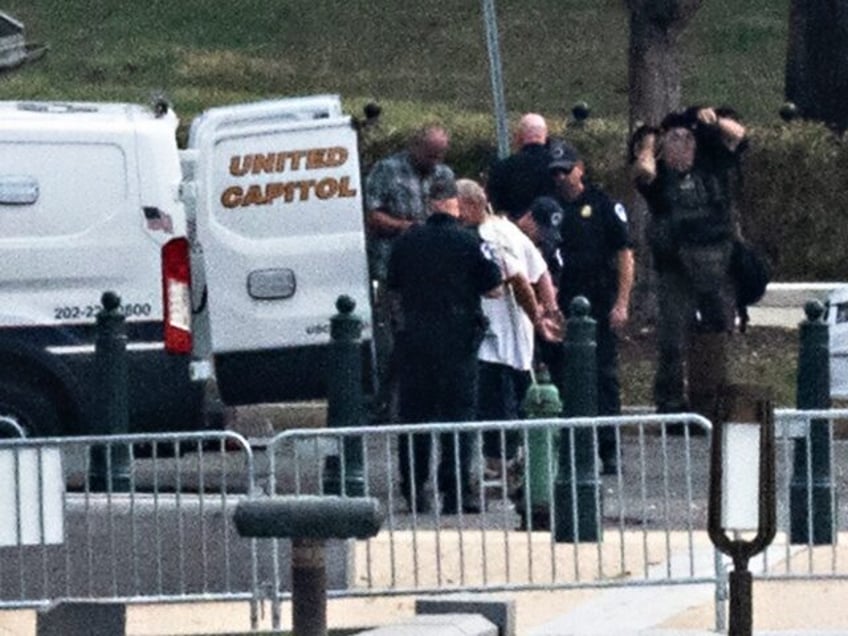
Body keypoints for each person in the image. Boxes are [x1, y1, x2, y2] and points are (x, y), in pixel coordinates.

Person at [386, 173, 502, 515]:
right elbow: (493, 287)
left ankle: (415, 487)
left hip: (416, 336)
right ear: (454, 202)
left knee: (415, 416)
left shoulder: (407, 241)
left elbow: (393, 286)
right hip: (458, 337)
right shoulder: (470, 241)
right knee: (458, 415)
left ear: (428, 203)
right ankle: (455, 491)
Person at [630, 106, 747, 417]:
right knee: (671, 340)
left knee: (716, 331)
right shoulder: (659, 179)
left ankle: (713, 399)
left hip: (715, 262)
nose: (680, 145)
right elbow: (643, 172)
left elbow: (738, 136)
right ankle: (670, 403)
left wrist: (711, 120)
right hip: (675, 269)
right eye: (673, 140)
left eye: (686, 139)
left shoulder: (712, 165)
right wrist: (648, 142)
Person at [455, 179, 561, 467]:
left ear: (471, 204)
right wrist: (548, 308)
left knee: (497, 413)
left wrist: (538, 317)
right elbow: (542, 272)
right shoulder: (508, 228)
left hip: (498, 341)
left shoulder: (489, 236)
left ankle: (500, 467)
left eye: (458, 206)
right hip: (514, 343)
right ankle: (513, 463)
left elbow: (519, 279)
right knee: (512, 406)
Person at [548, 141, 634, 475]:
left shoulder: (602, 205)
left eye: (565, 170)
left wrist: (622, 302)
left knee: (604, 377)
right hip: (563, 300)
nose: (560, 177)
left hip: (599, 299)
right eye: (555, 172)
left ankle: (609, 448)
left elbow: (624, 254)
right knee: (561, 376)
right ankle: (568, 447)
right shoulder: (548, 207)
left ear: (580, 169)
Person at [364, 125, 454, 422]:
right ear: (415, 147)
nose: (434, 161)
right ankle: (385, 407)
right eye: (430, 154)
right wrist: (407, 228)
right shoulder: (387, 171)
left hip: (434, 274)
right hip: (393, 271)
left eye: (439, 155)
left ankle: (432, 405)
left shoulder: (444, 176)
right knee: (395, 344)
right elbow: (372, 215)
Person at [486, 113, 555, 221]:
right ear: (546, 135)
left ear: (519, 136)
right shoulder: (559, 167)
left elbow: (494, 207)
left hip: (515, 231)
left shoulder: (502, 168)